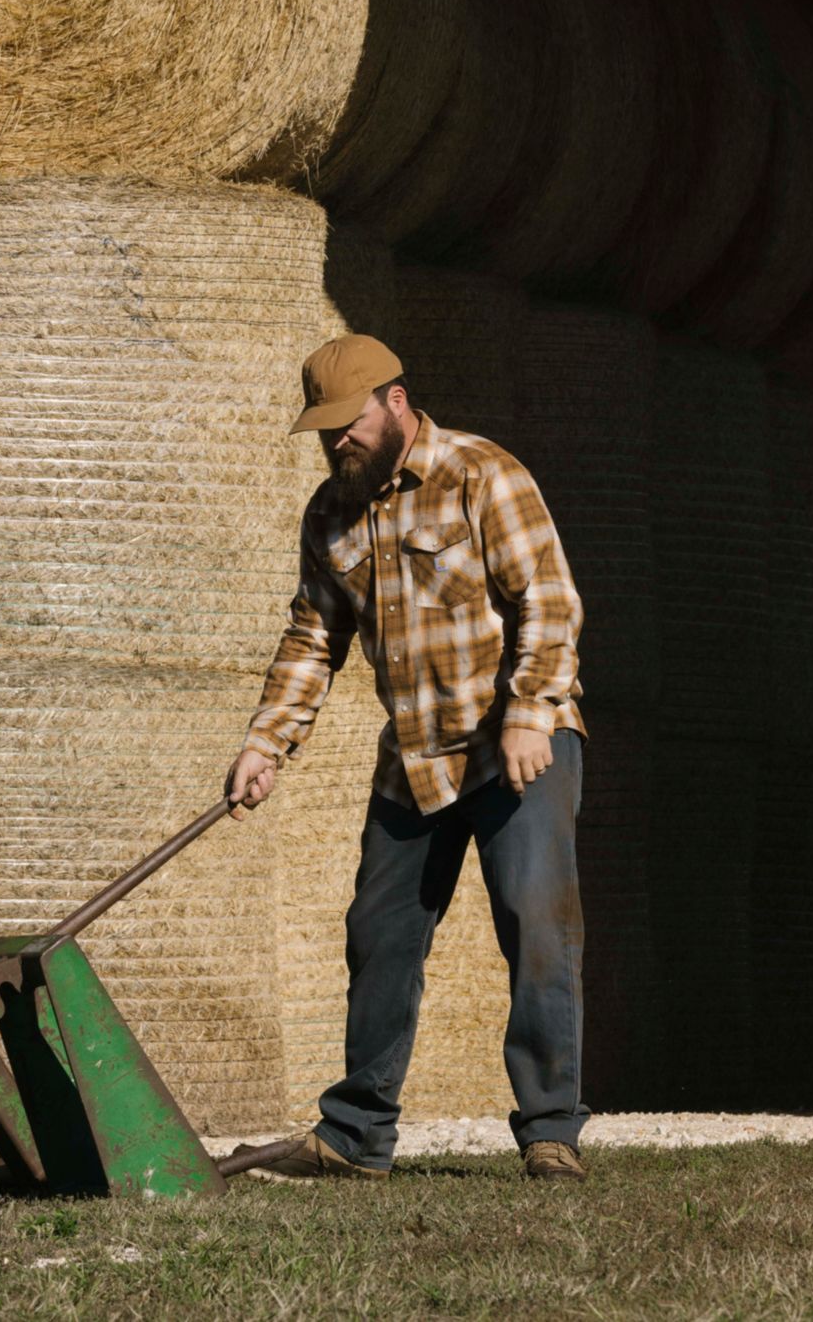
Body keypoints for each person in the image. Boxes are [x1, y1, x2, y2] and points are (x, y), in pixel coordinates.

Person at [225, 334, 590, 1183]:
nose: (335, 443)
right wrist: (265, 742)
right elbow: (313, 637)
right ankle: (356, 1136)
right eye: (322, 432)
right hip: (416, 757)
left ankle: (550, 1131)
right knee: (378, 932)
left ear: (394, 401)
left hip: (513, 745)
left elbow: (550, 598)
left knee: (536, 925)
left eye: (345, 425)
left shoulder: (481, 473)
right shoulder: (330, 511)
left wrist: (533, 712)